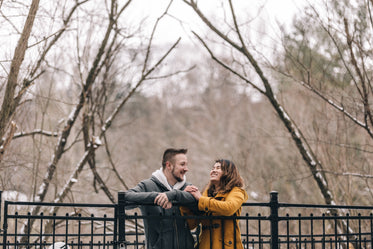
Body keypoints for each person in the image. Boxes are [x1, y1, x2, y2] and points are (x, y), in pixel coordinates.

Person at [124, 148, 197, 249]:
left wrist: (174, 195)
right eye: (182, 164)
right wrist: (156, 197)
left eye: (186, 164)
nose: (186, 168)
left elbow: (199, 204)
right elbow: (125, 198)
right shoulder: (148, 186)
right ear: (169, 165)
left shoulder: (187, 187)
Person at [181, 159, 248, 249]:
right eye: (213, 168)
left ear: (228, 172)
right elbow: (191, 224)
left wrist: (200, 199)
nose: (213, 170)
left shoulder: (236, 191)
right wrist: (185, 201)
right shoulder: (206, 193)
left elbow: (228, 208)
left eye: (218, 168)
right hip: (205, 245)